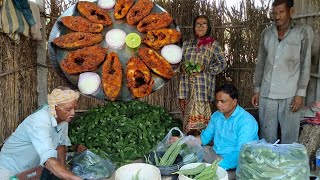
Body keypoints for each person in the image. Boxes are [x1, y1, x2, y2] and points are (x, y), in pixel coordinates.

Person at [251, 0, 314, 144]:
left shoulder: (303, 32)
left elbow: (306, 64)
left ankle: (286, 165)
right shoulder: (266, 33)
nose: (277, 16)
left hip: (290, 94)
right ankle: (268, 164)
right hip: (267, 93)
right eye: (274, 13)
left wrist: (300, 93)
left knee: (290, 138)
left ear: (291, 12)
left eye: (281, 12)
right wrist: (257, 89)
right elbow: (260, 62)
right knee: (266, 137)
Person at [0, 87, 86, 180]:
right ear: (55, 107)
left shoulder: (63, 119)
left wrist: (64, 175)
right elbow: (48, 161)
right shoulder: (39, 122)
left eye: (74, 108)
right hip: (9, 170)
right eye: (68, 109)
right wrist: (77, 179)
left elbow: (60, 145)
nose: (73, 113)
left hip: (31, 171)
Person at [177, 15, 227, 135]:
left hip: (203, 90)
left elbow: (222, 63)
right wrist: (181, 68)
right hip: (187, 89)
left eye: (204, 23)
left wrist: (206, 68)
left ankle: (202, 145)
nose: (200, 26)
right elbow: (176, 62)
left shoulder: (213, 45)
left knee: (203, 127)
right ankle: (190, 146)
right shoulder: (186, 45)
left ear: (208, 27)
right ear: (194, 27)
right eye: (197, 24)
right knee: (188, 125)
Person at [197, 84, 258, 170]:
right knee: (192, 154)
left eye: (223, 101)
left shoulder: (246, 121)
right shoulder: (216, 116)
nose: (218, 104)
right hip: (216, 154)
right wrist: (183, 141)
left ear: (234, 101)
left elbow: (241, 152)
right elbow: (205, 137)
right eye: (217, 101)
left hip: (236, 162)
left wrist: (216, 168)